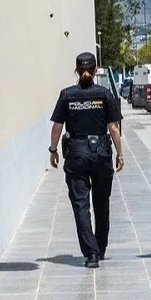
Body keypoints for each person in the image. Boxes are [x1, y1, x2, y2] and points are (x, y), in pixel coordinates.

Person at [49, 52, 124, 269]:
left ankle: (91, 253)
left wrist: (53, 150)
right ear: (96, 69)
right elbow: (113, 128)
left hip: (76, 154)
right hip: (100, 153)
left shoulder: (67, 95)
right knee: (102, 202)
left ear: (77, 70)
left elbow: (56, 127)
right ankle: (100, 248)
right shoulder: (104, 94)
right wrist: (120, 153)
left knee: (81, 205)